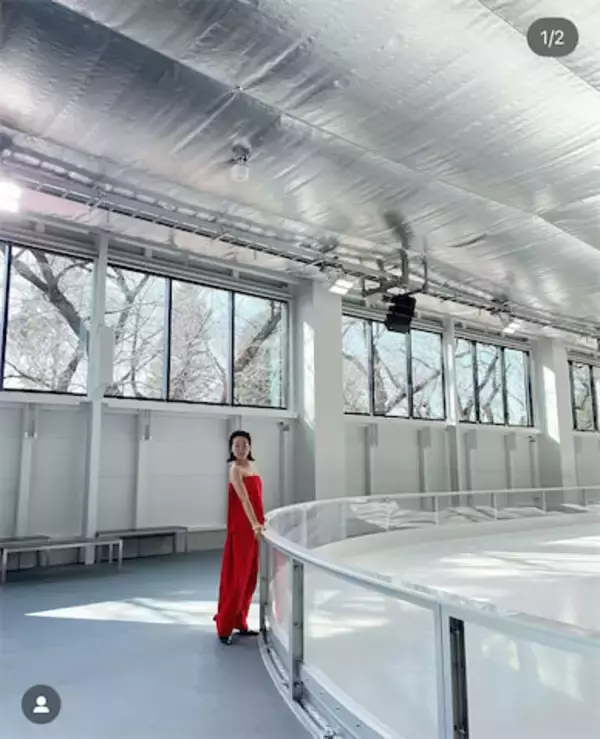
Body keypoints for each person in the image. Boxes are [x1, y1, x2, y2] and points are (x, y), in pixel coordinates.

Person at [214, 430, 265, 645]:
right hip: (243, 528)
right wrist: (254, 523)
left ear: (250, 447)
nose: (241, 449)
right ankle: (224, 627)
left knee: (250, 577)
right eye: (236, 445)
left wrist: (260, 522)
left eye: (244, 444)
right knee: (237, 578)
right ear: (231, 448)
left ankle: (240, 621)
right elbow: (244, 499)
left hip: (255, 526)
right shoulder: (235, 469)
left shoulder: (252, 466)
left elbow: (257, 498)